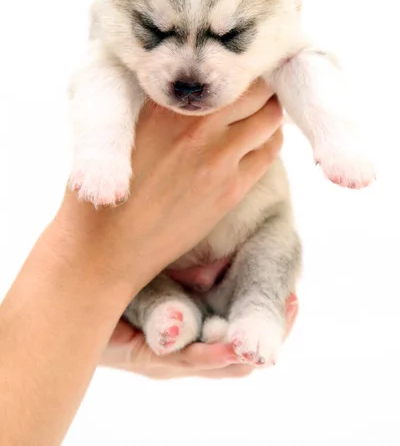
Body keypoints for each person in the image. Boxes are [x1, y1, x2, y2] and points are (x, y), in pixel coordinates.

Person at [0, 80, 298, 445]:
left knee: (274, 245)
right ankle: (167, 309)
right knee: (144, 288)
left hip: (247, 238)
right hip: (156, 270)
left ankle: (251, 310)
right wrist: (89, 258)